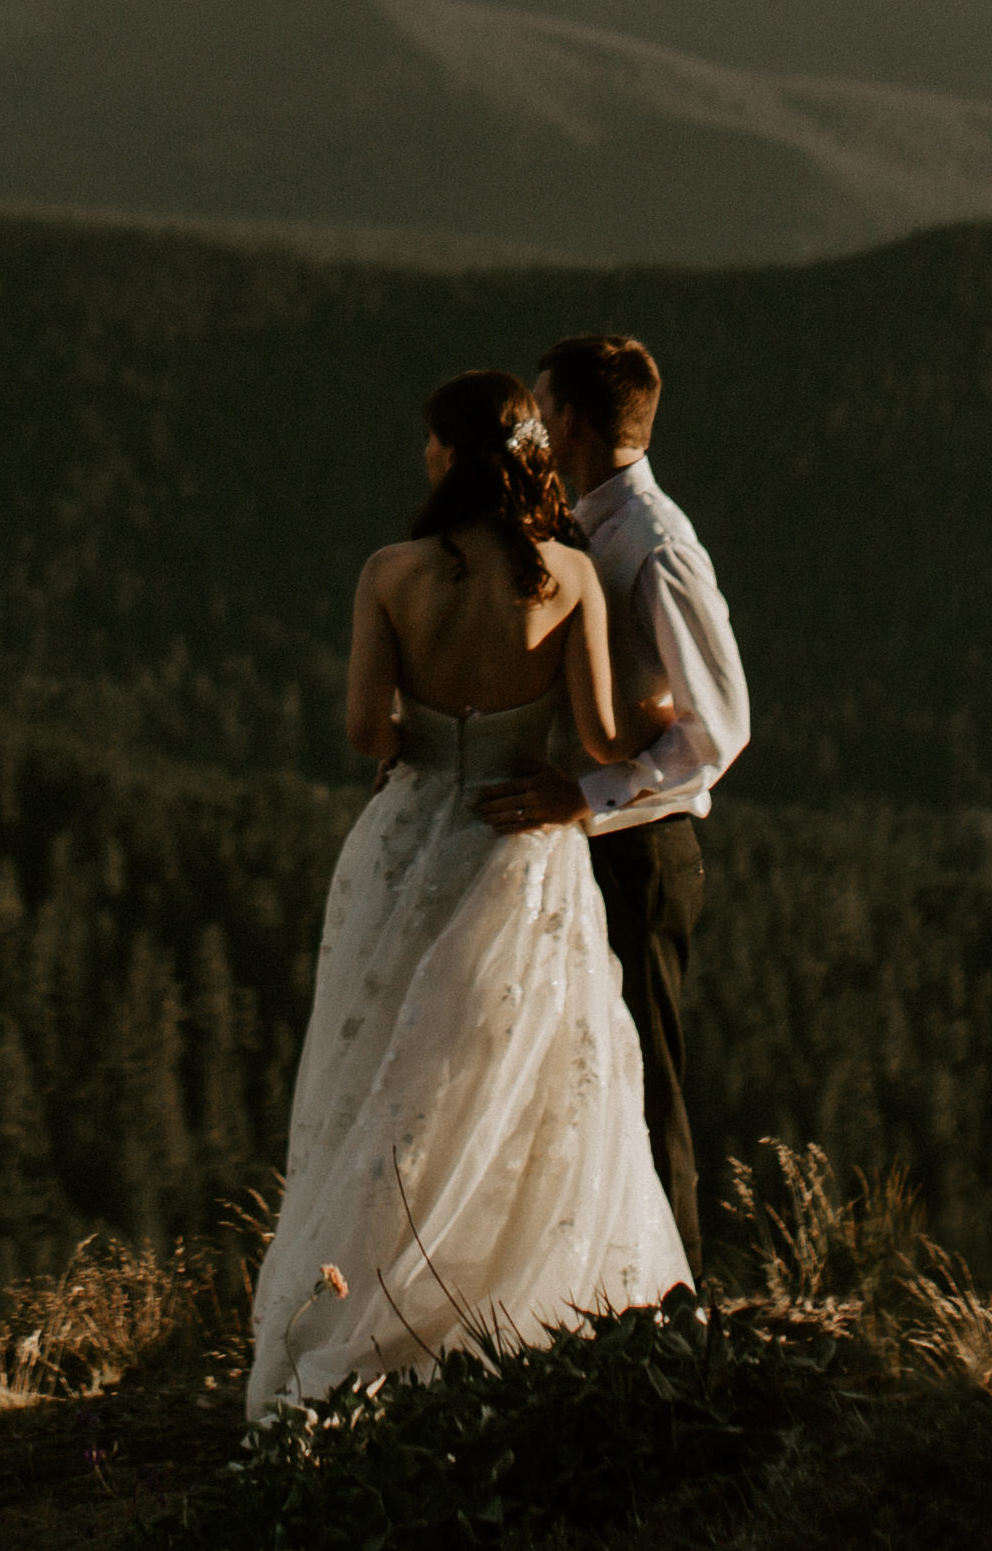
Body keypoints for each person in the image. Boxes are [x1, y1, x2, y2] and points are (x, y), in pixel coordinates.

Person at [241, 372, 692, 1420]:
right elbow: (600, 741)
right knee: (511, 1079)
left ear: (447, 454)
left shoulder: (390, 574)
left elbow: (365, 729)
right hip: (519, 850)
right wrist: (661, 715)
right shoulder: (568, 576)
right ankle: (508, 1306)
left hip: (408, 841)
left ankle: (371, 1304)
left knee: (385, 1079)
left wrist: (418, 749)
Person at [473, 332, 748, 1282]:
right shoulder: (585, 523)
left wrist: (582, 799)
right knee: (577, 1078)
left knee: (645, 1081)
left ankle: (679, 1312)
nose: (532, 433)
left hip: (642, 849)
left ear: (574, 423)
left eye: (543, 415)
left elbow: (718, 731)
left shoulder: (659, 547)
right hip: (583, 840)